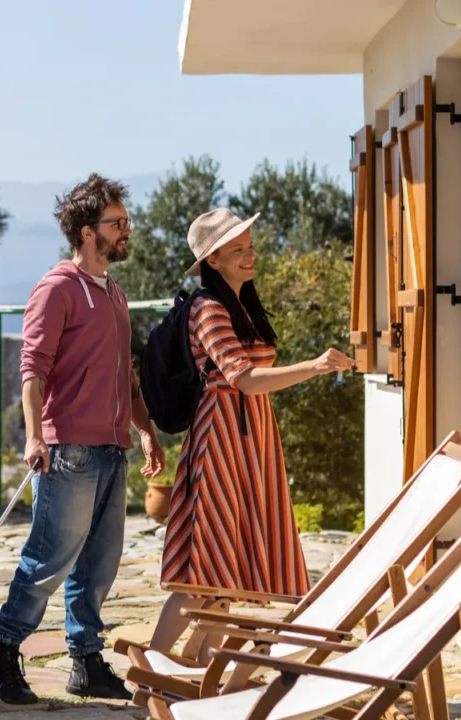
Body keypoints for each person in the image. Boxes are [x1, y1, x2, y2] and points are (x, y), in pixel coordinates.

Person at [0, 174, 166, 704]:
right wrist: (34, 438)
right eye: (117, 222)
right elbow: (32, 369)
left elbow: (125, 375)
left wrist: (145, 431)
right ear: (88, 232)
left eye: (126, 221)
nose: (127, 230)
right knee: (49, 558)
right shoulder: (57, 288)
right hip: (67, 452)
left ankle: (85, 661)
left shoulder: (115, 293)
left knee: (99, 564)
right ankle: (3, 651)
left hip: (111, 449)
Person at [148, 207, 355, 653]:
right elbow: (243, 379)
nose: (250, 255)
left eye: (250, 246)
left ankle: (198, 666)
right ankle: (151, 665)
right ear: (213, 260)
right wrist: (315, 366)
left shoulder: (241, 305)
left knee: (229, 568)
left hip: (251, 434)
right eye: (237, 250)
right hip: (221, 436)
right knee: (204, 569)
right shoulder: (208, 308)